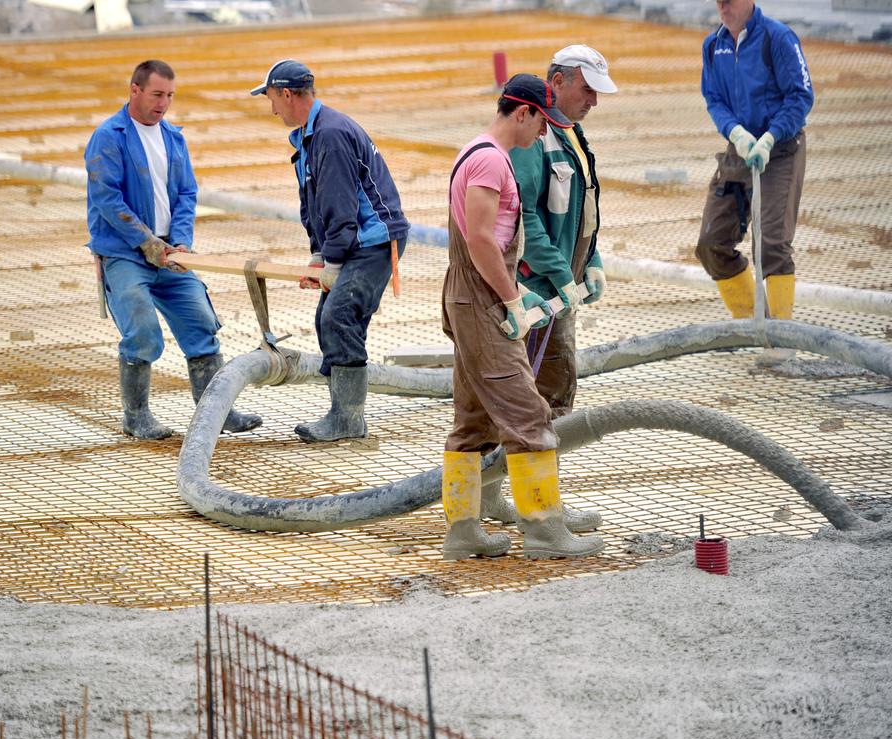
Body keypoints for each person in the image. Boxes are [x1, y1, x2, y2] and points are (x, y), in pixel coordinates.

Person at [441, 75, 603, 561]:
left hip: (471, 299)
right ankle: (544, 531)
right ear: (524, 112)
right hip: (483, 302)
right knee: (529, 416)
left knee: (472, 421)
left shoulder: (476, 151)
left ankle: (463, 532)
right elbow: (483, 240)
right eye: (541, 122)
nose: (542, 134)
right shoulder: (492, 159)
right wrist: (513, 298)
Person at [85, 59, 261, 439]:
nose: (164, 103)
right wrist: (146, 242)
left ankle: (217, 413)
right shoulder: (109, 136)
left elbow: (186, 194)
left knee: (199, 320)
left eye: (169, 95)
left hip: (170, 253)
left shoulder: (173, 138)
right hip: (124, 253)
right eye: (156, 94)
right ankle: (136, 416)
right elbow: (107, 198)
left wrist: (180, 242)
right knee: (142, 330)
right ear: (135, 90)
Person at [485, 44, 618, 533]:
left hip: (562, 291)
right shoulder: (534, 142)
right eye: (587, 90)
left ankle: (502, 498)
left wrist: (593, 262)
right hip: (538, 295)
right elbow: (527, 222)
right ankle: (541, 509)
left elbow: (582, 213)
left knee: (530, 401)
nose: (594, 102)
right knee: (544, 403)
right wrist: (563, 277)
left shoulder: (573, 135)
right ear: (557, 83)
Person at [251, 59, 410, 443]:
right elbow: (314, 203)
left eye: (272, 98)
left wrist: (334, 261)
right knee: (331, 316)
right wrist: (318, 256)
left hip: (373, 239)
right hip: (354, 240)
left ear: (287, 94)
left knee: (339, 315)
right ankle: (342, 413)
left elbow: (340, 207)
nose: (272, 108)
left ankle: (348, 420)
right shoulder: (311, 135)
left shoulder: (330, 135)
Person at [696, 0, 813, 364]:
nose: (722, 7)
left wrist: (771, 135)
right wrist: (736, 132)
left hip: (780, 148)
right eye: (719, 2)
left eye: (728, 1)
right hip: (741, 147)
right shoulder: (714, 45)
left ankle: (781, 338)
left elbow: (800, 96)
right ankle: (752, 325)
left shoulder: (777, 38)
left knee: (772, 243)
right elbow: (714, 98)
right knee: (711, 244)